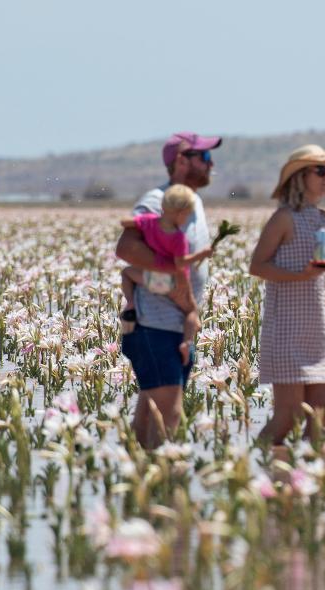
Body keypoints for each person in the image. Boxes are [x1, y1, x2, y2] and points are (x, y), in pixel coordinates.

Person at [249, 144, 325, 446]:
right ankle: (252, 470)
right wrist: (301, 275)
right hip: (285, 328)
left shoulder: (323, 218)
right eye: (320, 171)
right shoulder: (283, 218)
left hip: (315, 329)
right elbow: (257, 266)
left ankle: (311, 481)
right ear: (300, 177)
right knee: (287, 416)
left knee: (322, 415)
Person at [115, 131, 221, 448]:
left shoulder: (192, 202)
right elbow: (126, 247)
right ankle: (162, 481)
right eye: (203, 157)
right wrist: (173, 276)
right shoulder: (158, 201)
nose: (210, 163)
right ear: (180, 161)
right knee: (170, 412)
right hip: (155, 325)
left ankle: (137, 479)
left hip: (172, 327)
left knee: (150, 410)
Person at [119, 184, 213, 365]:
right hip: (178, 284)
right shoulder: (178, 237)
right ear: (182, 213)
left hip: (156, 280)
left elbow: (126, 222)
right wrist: (202, 254)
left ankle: (130, 302)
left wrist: (133, 222)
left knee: (127, 273)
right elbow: (180, 262)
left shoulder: (150, 221)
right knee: (191, 312)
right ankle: (187, 341)